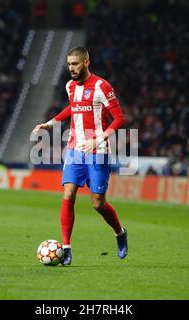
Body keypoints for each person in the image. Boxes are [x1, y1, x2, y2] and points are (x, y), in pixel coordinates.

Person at [32, 47, 128, 266]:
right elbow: (73, 109)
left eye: (75, 64)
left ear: (86, 62)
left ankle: (120, 232)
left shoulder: (102, 86)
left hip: (98, 151)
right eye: (69, 65)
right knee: (68, 193)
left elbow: (119, 118)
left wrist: (100, 138)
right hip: (75, 149)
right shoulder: (70, 86)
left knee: (98, 204)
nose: (71, 69)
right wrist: (51, 123)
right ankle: (66, 249)